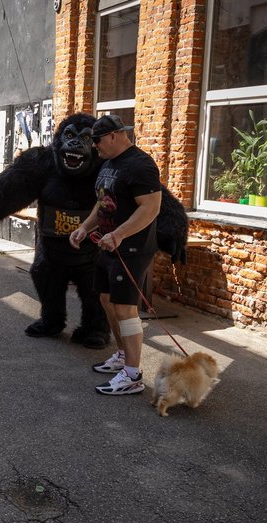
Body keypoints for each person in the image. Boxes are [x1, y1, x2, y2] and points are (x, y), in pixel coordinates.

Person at [69, 114, 162, 395]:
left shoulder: (141, 165)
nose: (94, 147)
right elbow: (104, 203)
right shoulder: (109, 164)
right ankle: (123, 356)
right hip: (107, 244)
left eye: (96, 141)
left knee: (125, 307)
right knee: (106, 299)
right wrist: (85, 228)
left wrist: (120, 234)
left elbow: (150, 208)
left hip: (131, 248)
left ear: (113, 136)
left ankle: (133, 375)